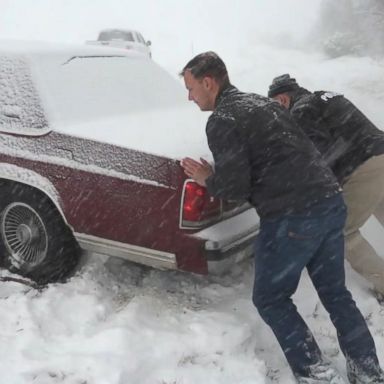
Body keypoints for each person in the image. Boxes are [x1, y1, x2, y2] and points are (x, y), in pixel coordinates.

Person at [180, 51, 384, 384]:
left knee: (270, 297)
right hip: (330, 202)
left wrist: (208, 178)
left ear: (208, 82)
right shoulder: (267, 105)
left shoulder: (222, 119)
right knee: (335, 293)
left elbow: (234, 185)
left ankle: (316, 374)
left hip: (293, 215)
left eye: (191, 88)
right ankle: (368, 371)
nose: (189, 97)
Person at [268, 74, 384, 299]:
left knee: (343, 231)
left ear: (282, 99)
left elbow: (319, 156)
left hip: (365, 165)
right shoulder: (323, 96)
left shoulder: (300, 112)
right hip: (380, 153)